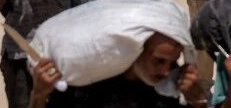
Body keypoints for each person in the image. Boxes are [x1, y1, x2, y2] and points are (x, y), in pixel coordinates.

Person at [30, 32, 205, 108]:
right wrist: (39, 95)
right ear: (136, 52)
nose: (166, 71)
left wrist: (197, 101)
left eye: (172, 62)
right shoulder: (89, 81)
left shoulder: (165, 88)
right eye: (159, 61)